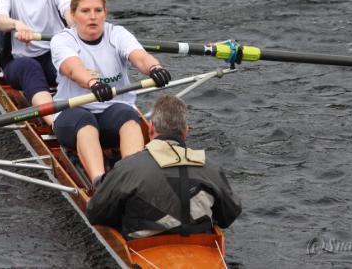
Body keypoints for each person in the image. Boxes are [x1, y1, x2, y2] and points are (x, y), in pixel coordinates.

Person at [50, 0, 172, 189]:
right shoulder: (62, 40)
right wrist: (92, 83)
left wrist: (155, 68)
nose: (92, 17)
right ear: (73, 15)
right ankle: (100, 182)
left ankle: (134, 178)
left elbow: (140, 57)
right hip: (71, 115)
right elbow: (73, 69)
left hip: (112, 116)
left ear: (105, 13)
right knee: (85, 121)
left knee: (128, 116)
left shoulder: (117, 34)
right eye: (85, 11)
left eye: (98, 10)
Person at [86, 94, 242, 238]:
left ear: (151, 128)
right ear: (185, 132)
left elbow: (95, 214)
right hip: (200, 244)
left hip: (142, 247)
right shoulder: (210, 167)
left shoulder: (127, 168)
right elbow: (228, 216)